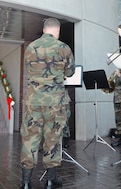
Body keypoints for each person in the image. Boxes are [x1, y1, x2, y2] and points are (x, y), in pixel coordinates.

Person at [20, 18, 75, 189]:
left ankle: (26, 183)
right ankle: (51, 181)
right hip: (55, 103)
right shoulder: (63, 48)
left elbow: (29, 70)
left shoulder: (30, 47)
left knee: (30, 139)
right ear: (57, 30)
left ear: (44, 29)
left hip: (33, 101)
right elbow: (70, 71)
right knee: (53, 139)